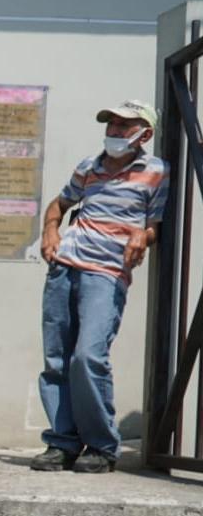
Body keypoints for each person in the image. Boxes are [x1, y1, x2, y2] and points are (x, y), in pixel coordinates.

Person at [32, 100, 167, 474]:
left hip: (106, 271)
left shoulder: (156, 172)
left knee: (88, 356)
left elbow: (154, 225)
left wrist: (142, 235)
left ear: (145, 134)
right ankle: (62, 443)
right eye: (112, 124)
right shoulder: (88, 166)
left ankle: (101, 446)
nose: (115, 131)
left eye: (125, 125)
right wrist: (50, 231)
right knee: (56, 359)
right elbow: (59, 205)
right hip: (64, 266)